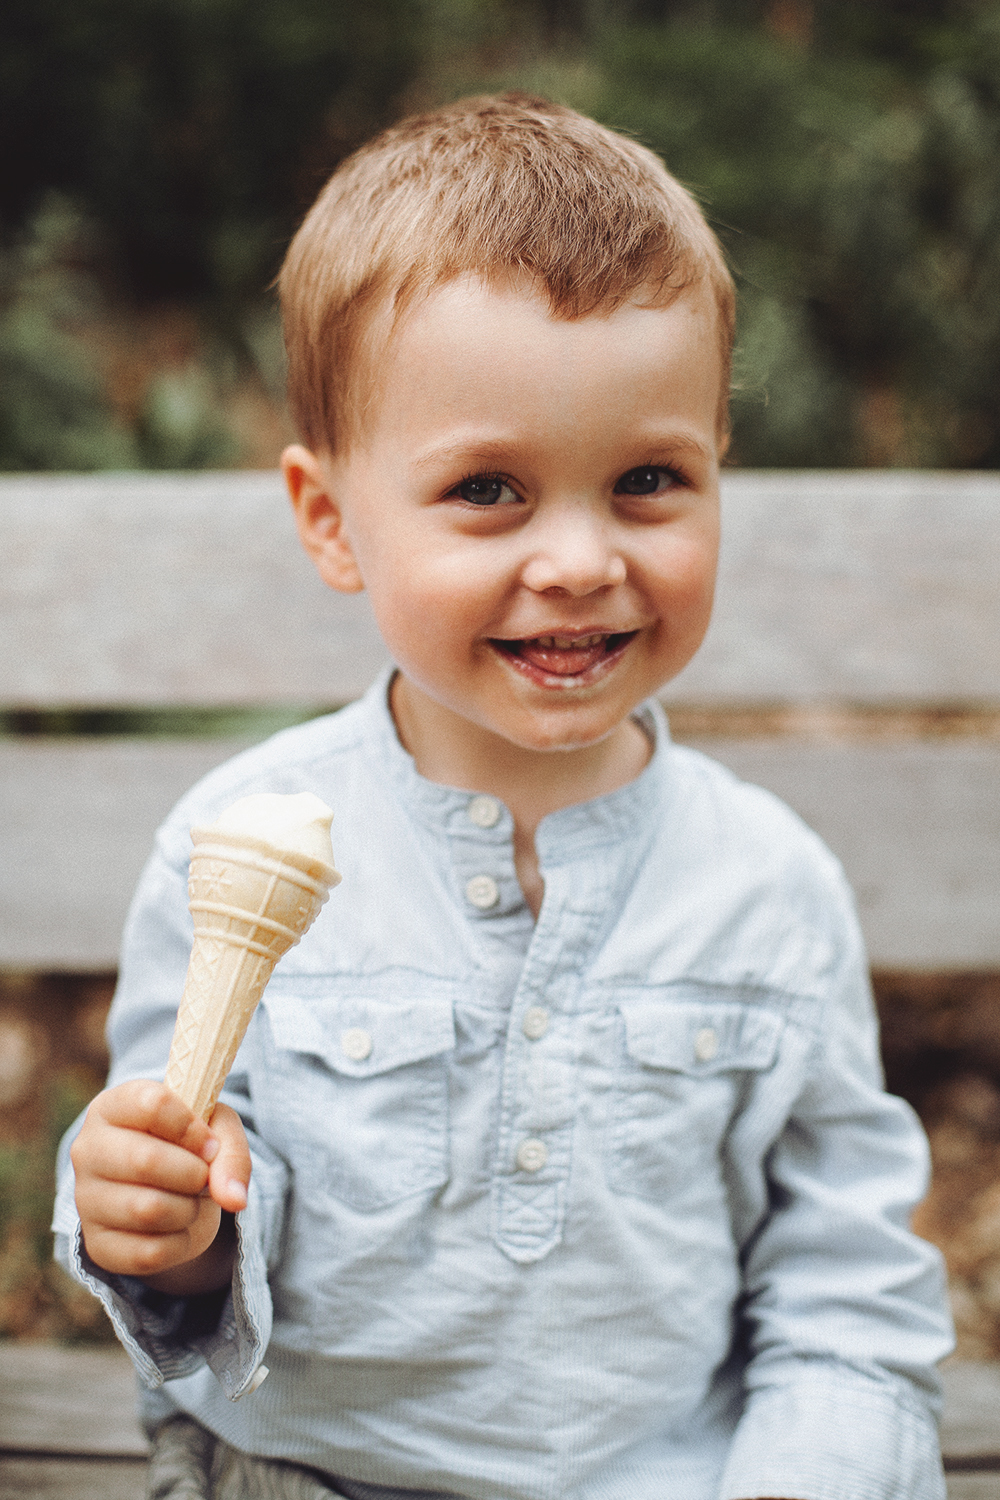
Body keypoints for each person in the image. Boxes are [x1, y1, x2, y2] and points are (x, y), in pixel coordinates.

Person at [55, 93, 952, 1500]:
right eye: (488, 489)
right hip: (311, 1474)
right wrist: (159, 1227)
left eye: (651, 478)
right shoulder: (231, 846)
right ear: (330, 520)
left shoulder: (770, 886)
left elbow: (842, 1275)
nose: (583, 559)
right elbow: (195, 1241)